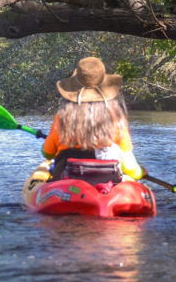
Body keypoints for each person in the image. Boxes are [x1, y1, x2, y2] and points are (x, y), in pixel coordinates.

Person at [23, 58, 144, 205]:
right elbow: (130, 168)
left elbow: (47, 153)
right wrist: (140, 172)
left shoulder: (62, 117)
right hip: (109, 183)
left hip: (67, 185)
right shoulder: (117, 118)